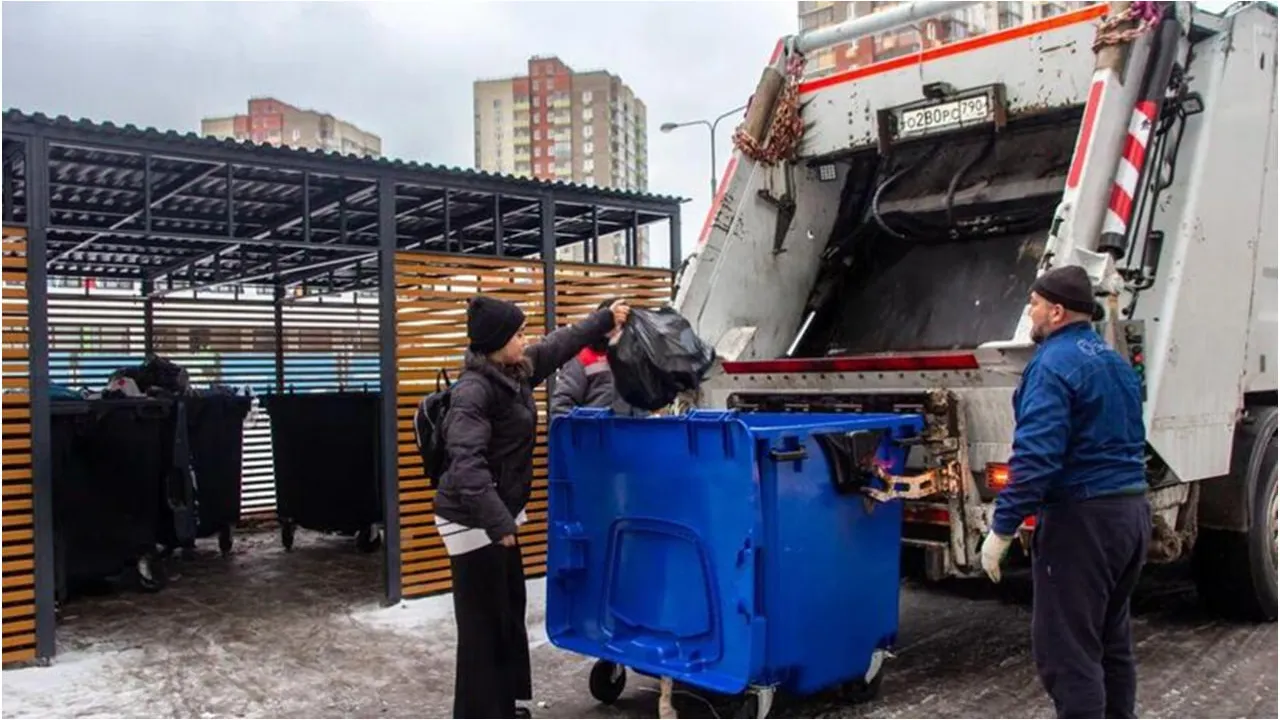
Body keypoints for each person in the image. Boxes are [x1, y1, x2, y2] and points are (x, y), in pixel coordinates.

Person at [435, 294, 629, 719]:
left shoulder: (516, 372)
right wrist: (499, 522)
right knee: (482, 624)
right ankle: (480, 713)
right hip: (471, 521)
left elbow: (563, 341)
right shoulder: (474, 390)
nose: (526, 339)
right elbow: (466, 466)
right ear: (498, 340)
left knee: (506, 613)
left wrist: (604, 318)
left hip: (495, 516)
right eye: (519, 333)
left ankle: (501, 705)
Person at [981, 265, 1151, 719]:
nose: (1030, 312)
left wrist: (1002, 528)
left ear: (1056, 311)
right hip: (1130, 516)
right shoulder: (1113, 362)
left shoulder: (1053, 366)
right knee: (1111, 645)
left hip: (1082, 523)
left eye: (1034, 304)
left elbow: (1037, 457)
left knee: (1068, 655)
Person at [549, 297, 647, 419]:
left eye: (624, 325)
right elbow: (562, 407)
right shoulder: (583, 357)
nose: (620, 330)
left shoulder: (637, 360)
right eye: (616, 323)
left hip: (632, 434)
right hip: (596, 434)